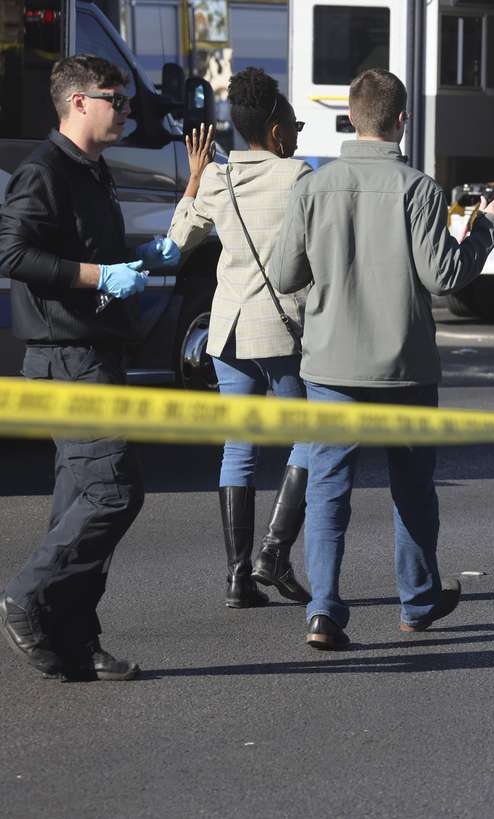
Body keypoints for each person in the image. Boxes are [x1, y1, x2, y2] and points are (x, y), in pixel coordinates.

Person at [268, 68, 494, 650]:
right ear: (402, 120)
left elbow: (283, 274)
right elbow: (443, 275)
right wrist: (486, 231)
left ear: (352, 117)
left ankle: (323, 611)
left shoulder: (312, 187)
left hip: (329, 364)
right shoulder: (418, 188)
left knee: (328, 489)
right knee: (412, 489)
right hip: (405, 364)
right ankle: (417, 600)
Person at [0, 55, 177, 681]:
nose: (126, 111)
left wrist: (138, 256)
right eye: (116, 99)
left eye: (126, 100)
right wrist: (100, 275)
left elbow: (90, 251)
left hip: (94, 351)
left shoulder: (92, 170)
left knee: (77, 498)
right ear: (78, 102)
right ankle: (27, 595)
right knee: (114, 492)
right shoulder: (43, 171)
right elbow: (13, 252)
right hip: (66, 358)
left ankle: (74, 638)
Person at [168, 68, 313, 609]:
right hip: (282, 331)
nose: (297, 133)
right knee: (312, 441)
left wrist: (193, 178)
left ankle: (237, 578)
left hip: (227, 332)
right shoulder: (298, 177)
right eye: (294, 124)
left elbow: (177, 242)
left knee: (239, 448)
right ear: (276, 131)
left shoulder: (215, 179)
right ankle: (274, 554)